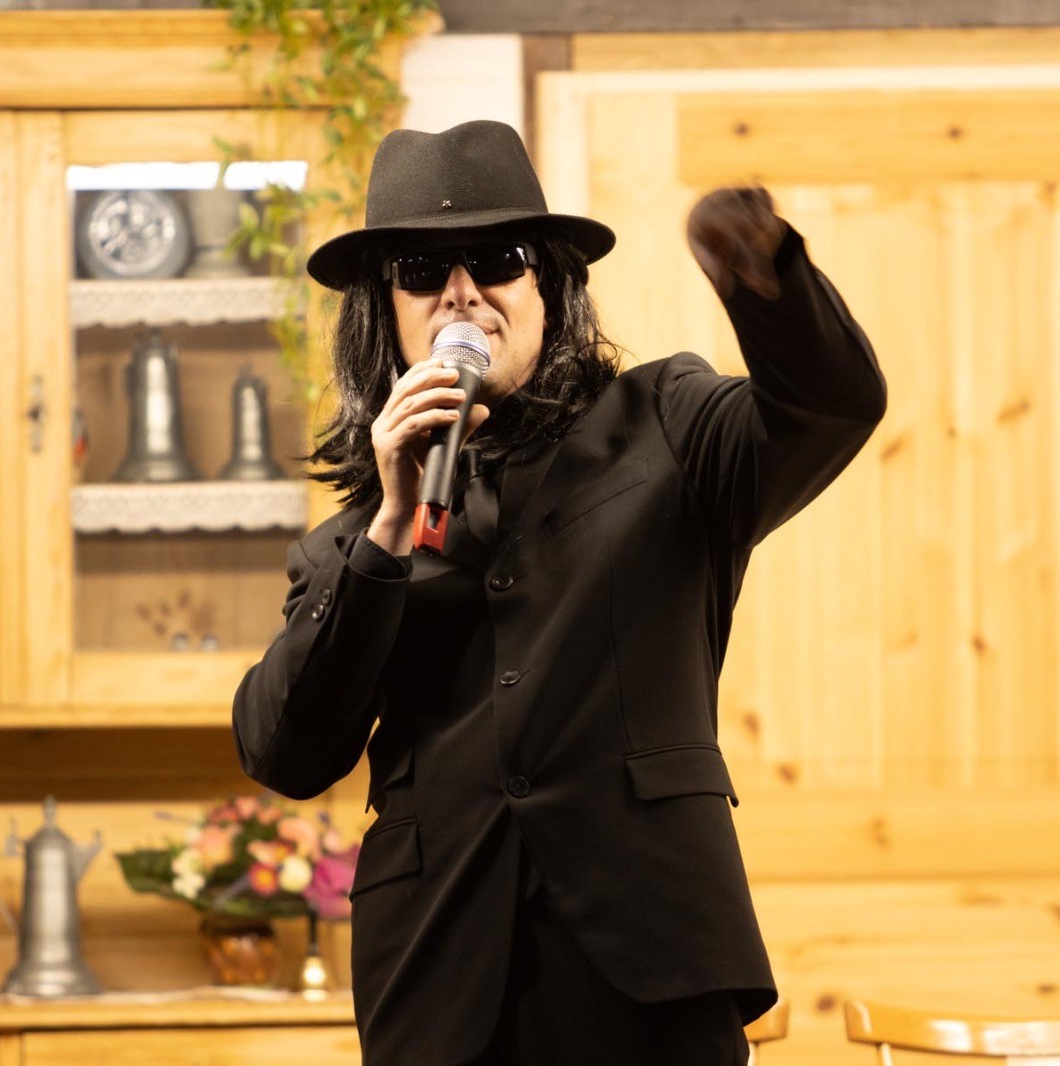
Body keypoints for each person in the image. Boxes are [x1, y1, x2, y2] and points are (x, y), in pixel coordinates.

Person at [233, 119, 885, 1066]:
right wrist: (389, 530)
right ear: (386, 314)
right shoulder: (350, 543)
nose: (462, 292)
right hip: (439, 979)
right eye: (422, 271)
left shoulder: (668, 425)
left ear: (550, 286)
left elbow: (829, 407)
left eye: (499, 260)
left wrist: (767, 278)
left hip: (651, 964)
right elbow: (285, 750)